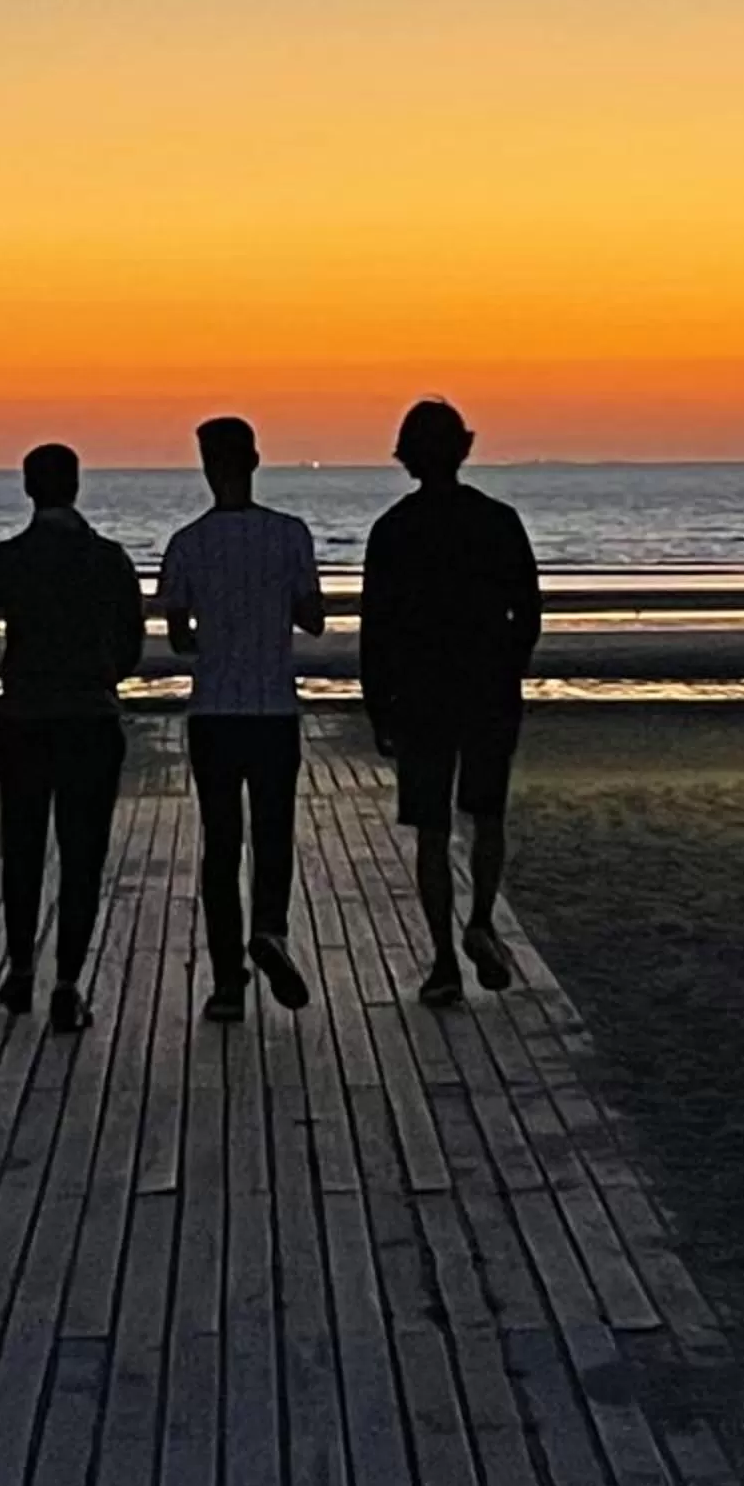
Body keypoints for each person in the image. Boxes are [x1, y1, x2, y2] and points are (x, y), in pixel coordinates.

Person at [0, 443, 146, 1035]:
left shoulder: (9, 558)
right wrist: (104, 673)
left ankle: (21, 967)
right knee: (83, 854)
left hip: (24, 719)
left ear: (29, 489)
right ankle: (67, 984)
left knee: (24, 846)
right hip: (89, 716)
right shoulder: (108, 559)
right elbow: (132, 644)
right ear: (77, 486)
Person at [359, 397, 541, 1007]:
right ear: (463, 449)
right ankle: (481, 919)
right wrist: (508, 667)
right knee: (487, 815)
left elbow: (376, 627)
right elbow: (529, 612)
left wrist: (377, 704)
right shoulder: (499, 521)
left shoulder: (392, 530)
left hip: (420, 694)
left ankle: (442, 959)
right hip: (487, 687)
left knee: (431, 830)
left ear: (407, 457)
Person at [157, 414, 325, 1022]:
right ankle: (271, 930)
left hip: (214, 709)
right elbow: (313, 617)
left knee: (221, 843)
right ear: (254, 461)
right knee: (274, 831)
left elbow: (178, 638)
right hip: (273, 707)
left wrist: (215, 631)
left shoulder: (187, 543)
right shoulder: (290, 535)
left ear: (206, 467)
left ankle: (228, 982)